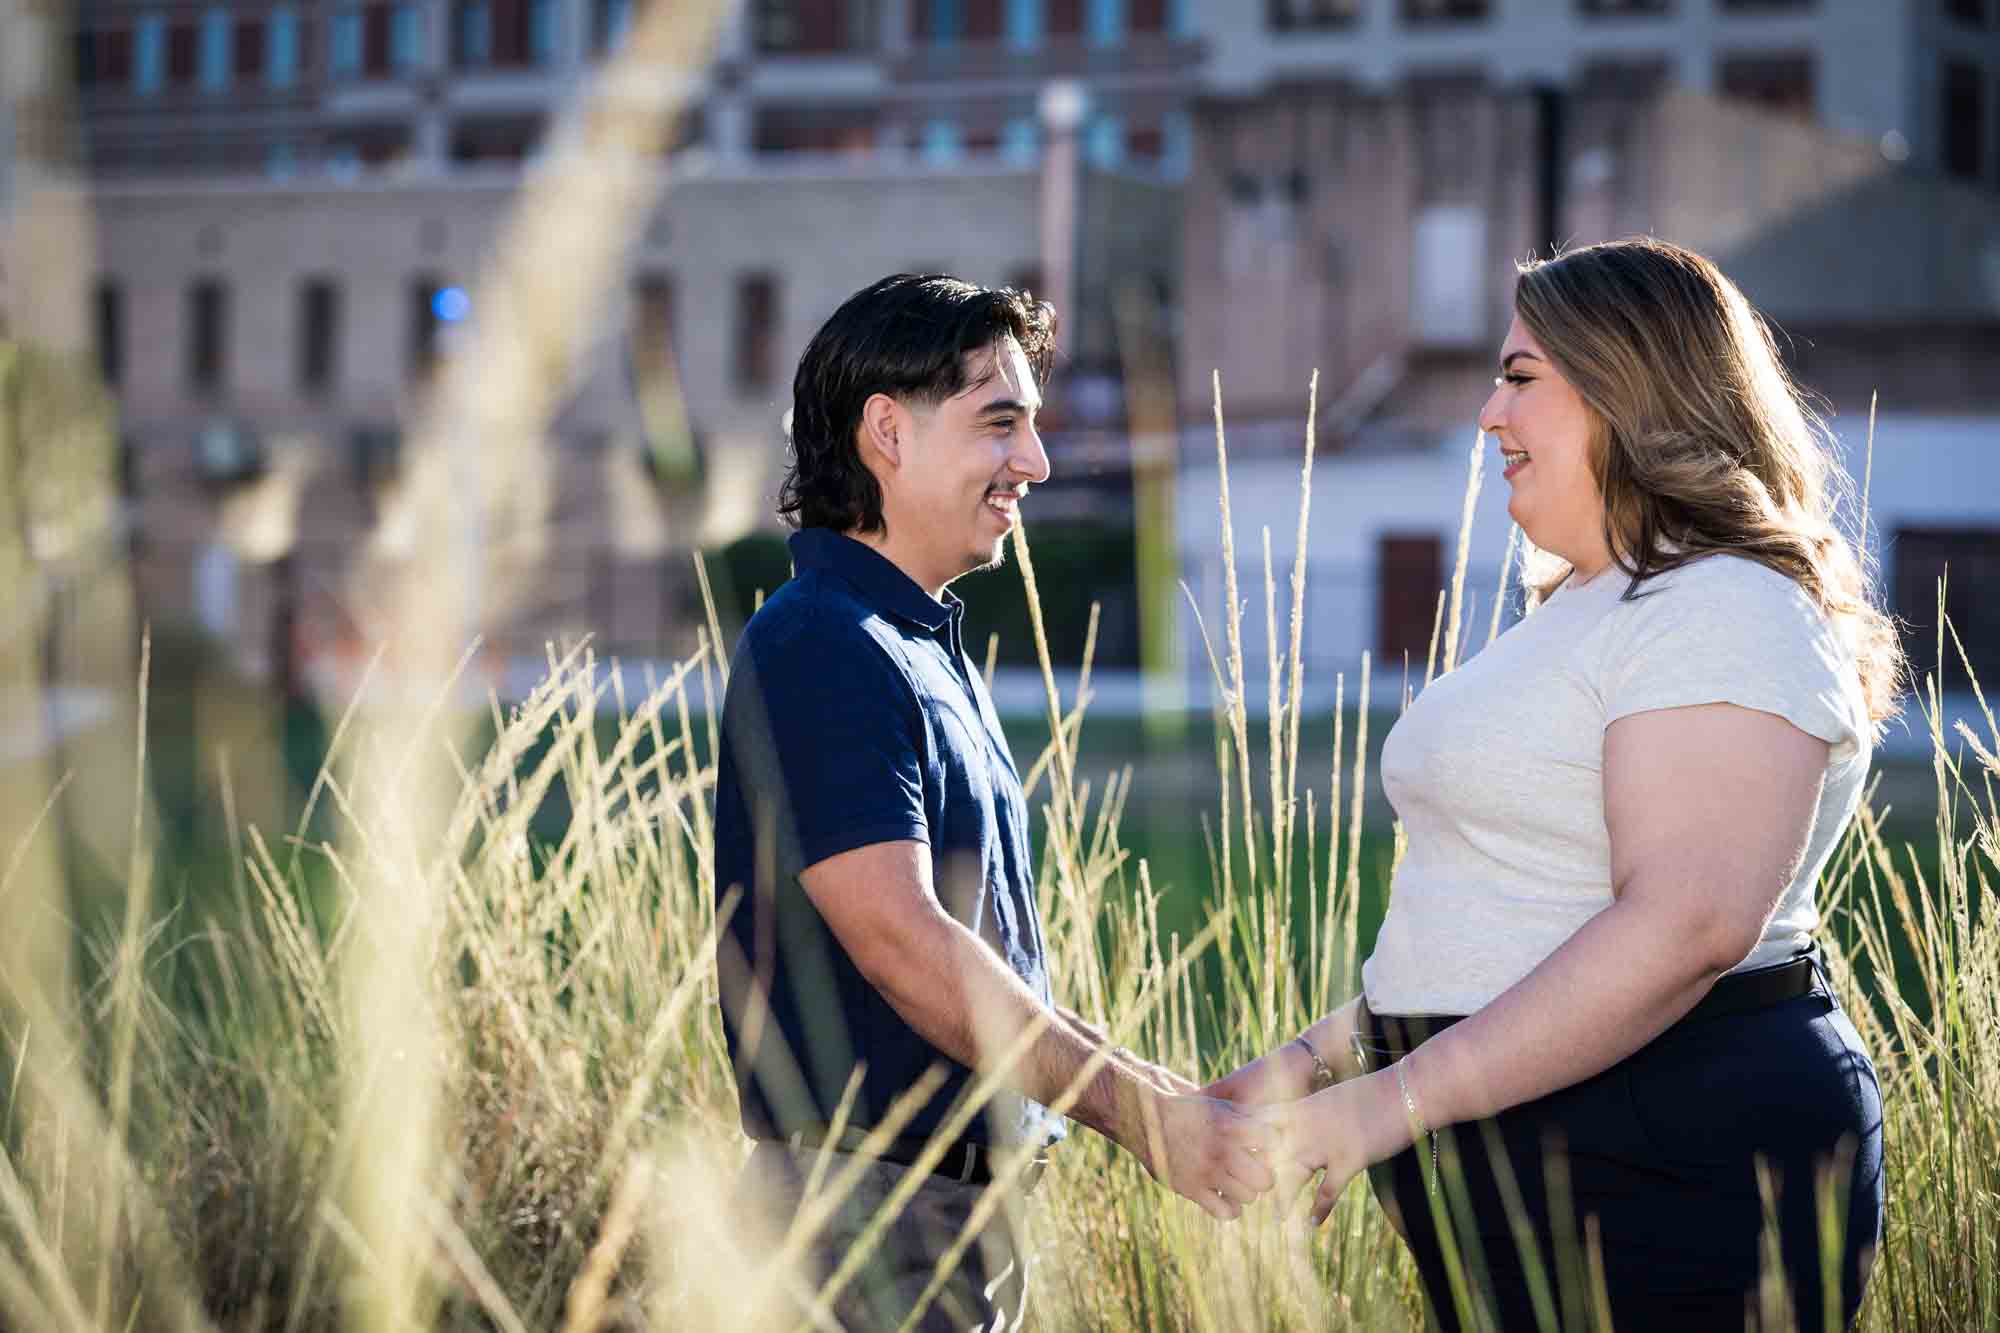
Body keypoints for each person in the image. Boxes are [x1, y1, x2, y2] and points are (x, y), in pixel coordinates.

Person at [1210, 237, 1897, 1331]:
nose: (1487, 413)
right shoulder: (1597, 600)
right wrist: (1313, 1061)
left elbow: (1687, 926)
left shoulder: (1721, 603)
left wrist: (1387, 1103)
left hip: (1666, 1142)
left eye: (1519, 376)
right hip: (1541, 1135)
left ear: (1630, 386)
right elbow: (1517, 911)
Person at [712, 274, 1276, 1330]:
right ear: (885, 431)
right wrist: (1139, 1116)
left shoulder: (913, 644)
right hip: (866, 1223)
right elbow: (901, 940)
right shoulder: (821, 642)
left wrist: (1158, 1091)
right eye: (998, 424)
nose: (1036, 461)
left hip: (942, 1213)